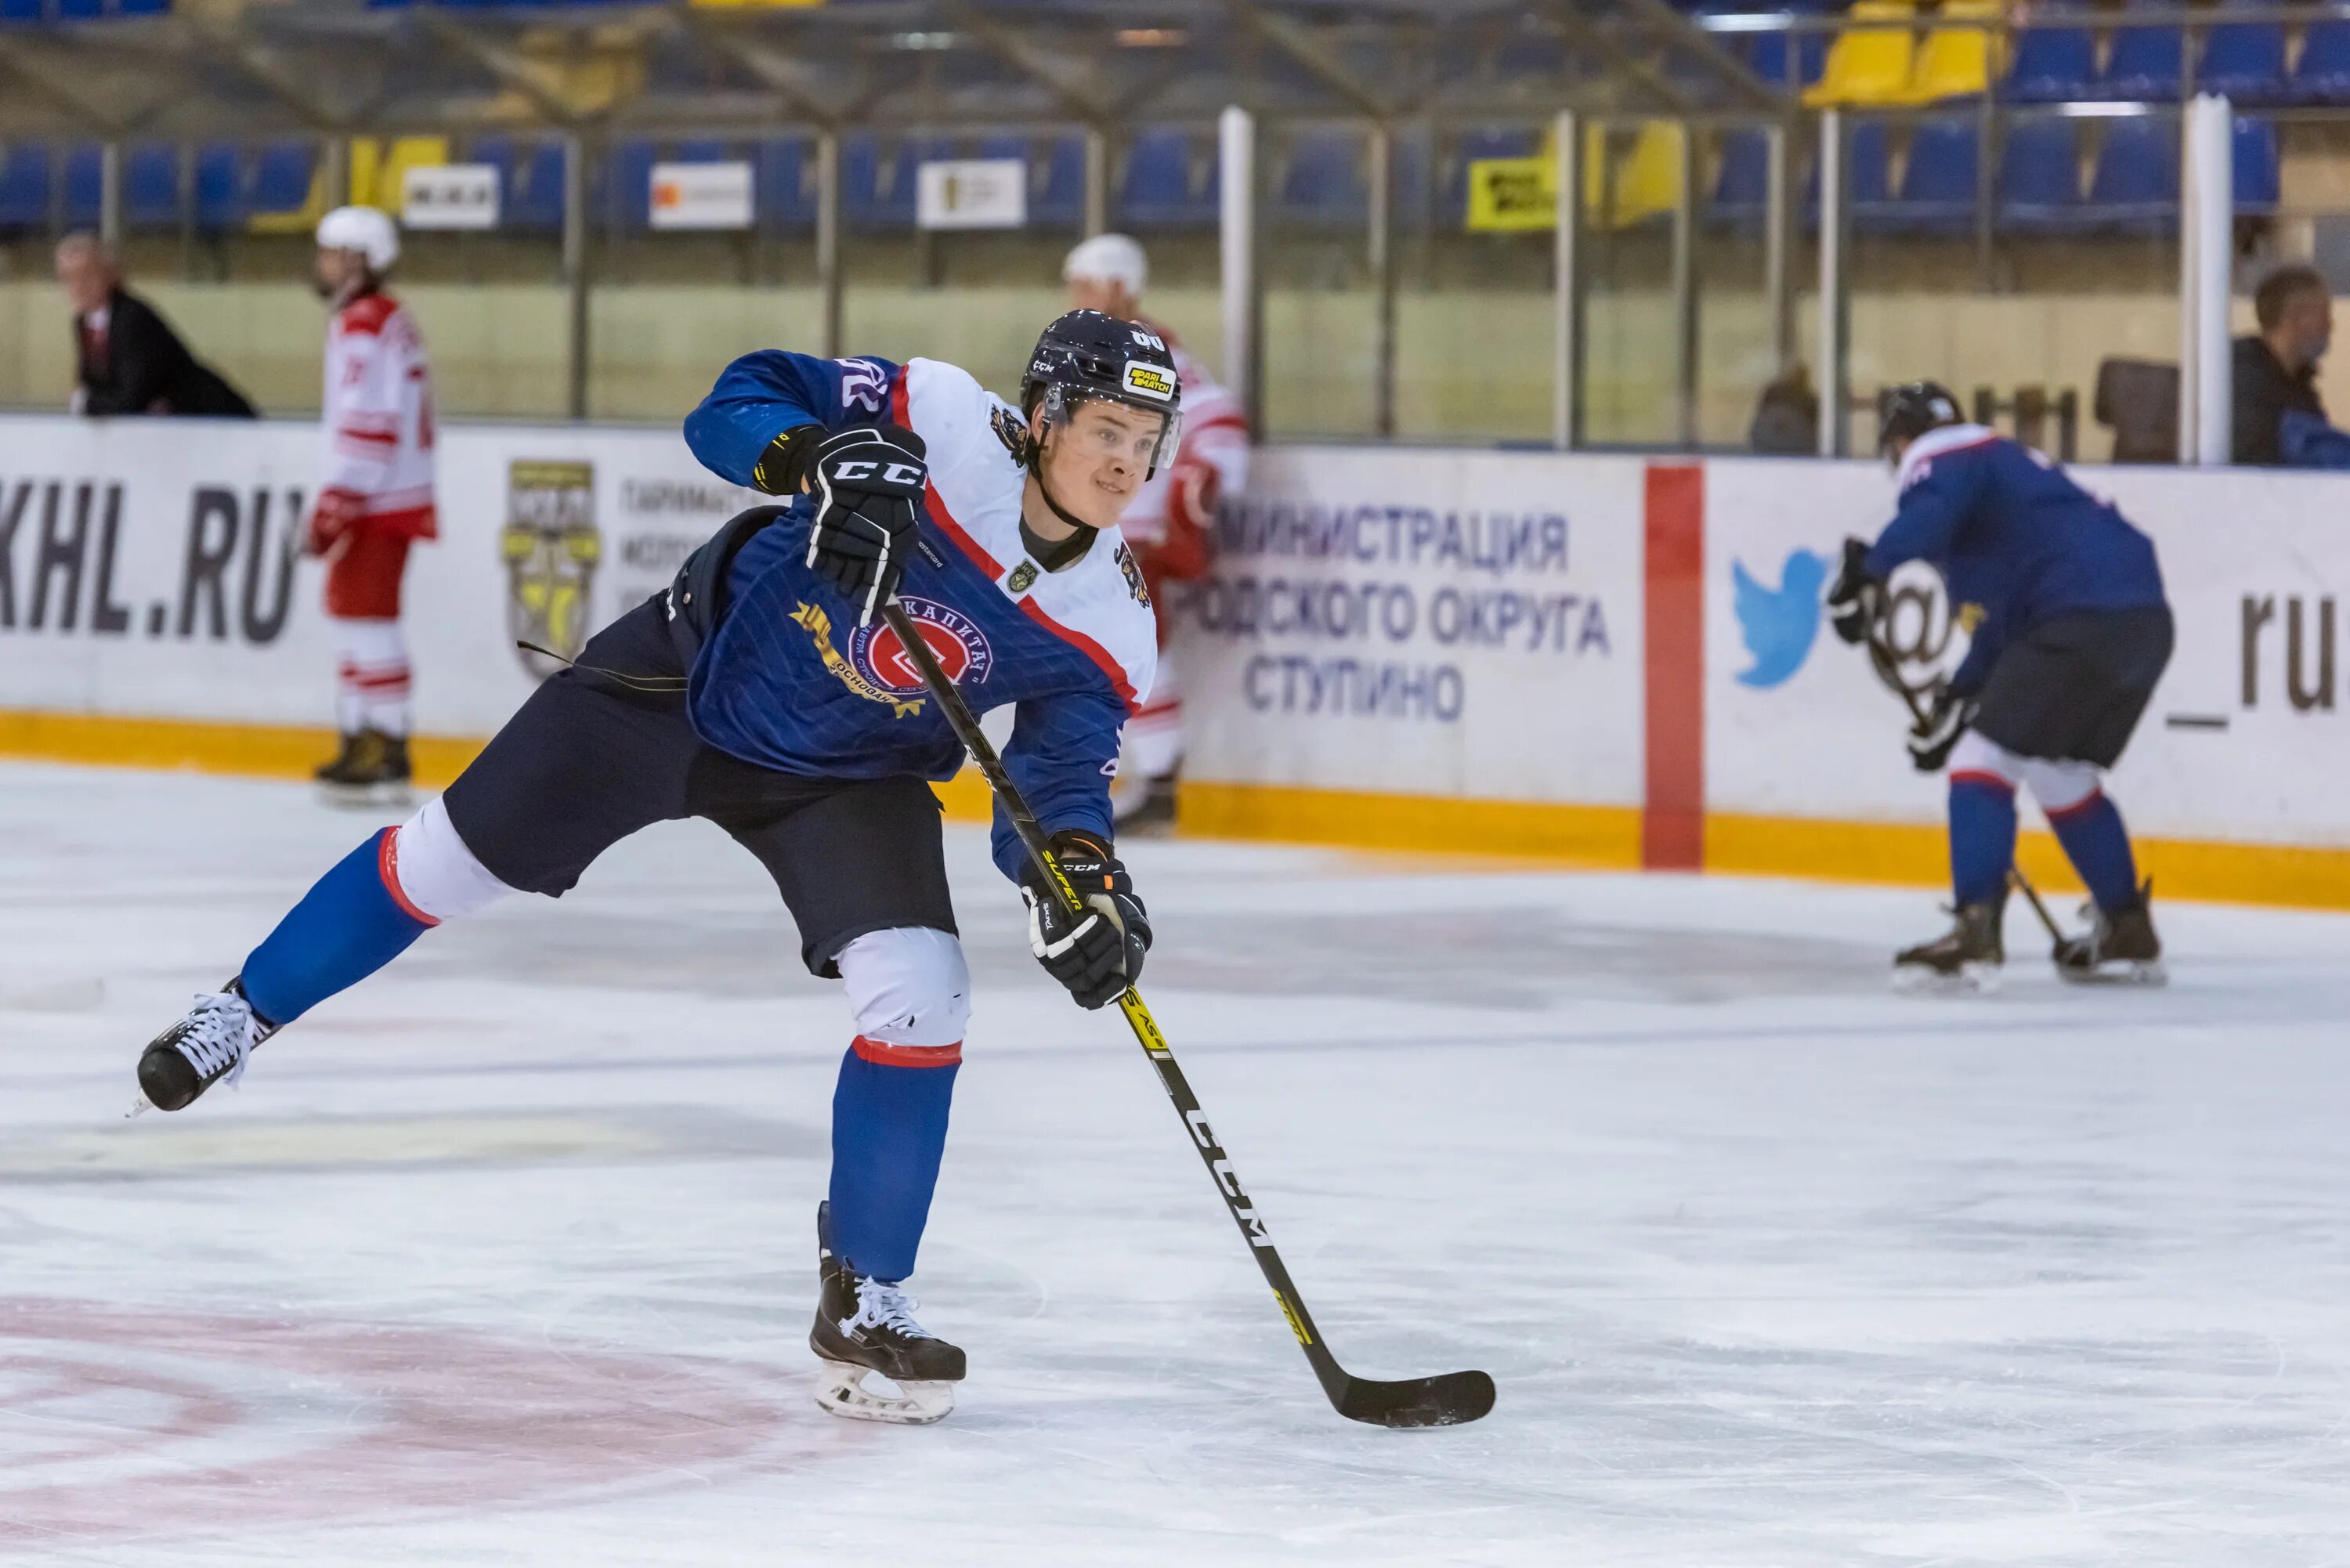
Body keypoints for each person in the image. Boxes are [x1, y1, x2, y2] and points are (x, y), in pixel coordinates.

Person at [130, 309, 1178, 1427]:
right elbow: (734, 396)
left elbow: (1060, 779)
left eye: (1147, 438)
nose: (1126, 460)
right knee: (443, 864)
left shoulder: (1109, 617)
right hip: (678, 685)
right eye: (1107, 426)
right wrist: (808, 454)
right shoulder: (946, 419)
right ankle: (241, 1011)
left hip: (847, 772)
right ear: (1045, 415)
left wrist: (1079, 878)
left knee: (923, 993)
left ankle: (867, 1293)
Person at [1825, 382, 2172, 991]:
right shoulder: (2003, 481)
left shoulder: (1947, 458)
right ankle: (2126, 925)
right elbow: (1999, 628)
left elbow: (1926, 515)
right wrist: (1958, 700)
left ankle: (1975, 930)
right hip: (2138, 621)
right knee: (2056, 768)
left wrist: (1868, 571)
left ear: (1902, 441)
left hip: (2078, 616)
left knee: (1982, 758)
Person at [1062, 233, 1247, 831]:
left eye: (1085, 287)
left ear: (1118, 289)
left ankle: (1161, 778)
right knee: (1121, 649)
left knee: (1131, 649)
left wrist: (1200, 484)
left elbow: (1215, 415)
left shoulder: (1146, 353)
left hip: (1132, 532)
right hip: (1107, 526)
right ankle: (1154, 776)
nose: (1075, 299)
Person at [306, 206, 438, 804]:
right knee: (352, 614)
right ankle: (364, 733)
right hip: (384, 493)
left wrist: (339, 498)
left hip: (376, 498)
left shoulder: (365, 324)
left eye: (331, 253)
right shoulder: (384, 319)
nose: (323, 264)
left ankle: (385, 741)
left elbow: (370, 422)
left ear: (358, 258)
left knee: (367, 618)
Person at [57, 233, 256, 420]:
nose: (78, 286)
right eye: (69, 278)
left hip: (212, 419)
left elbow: (132, 399)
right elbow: (93, 384)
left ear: (111, 275)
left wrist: (87, 404)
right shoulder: (83, 321)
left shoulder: (132, 318)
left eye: (87, 276)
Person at [2231, 264, 2341, 467]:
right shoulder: (2245, 384)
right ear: (2297, 317)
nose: (2330, 324)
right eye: (2323, 313)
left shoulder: (2299, 387)